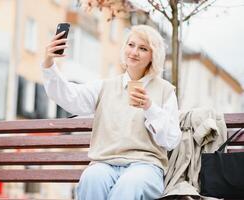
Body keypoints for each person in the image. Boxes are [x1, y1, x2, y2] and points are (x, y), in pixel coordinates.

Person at [42, 24, 182, 200]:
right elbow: (70, 97)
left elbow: (171, 140)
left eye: (143, 48)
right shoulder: (104, 86)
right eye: (131, 45)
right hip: (105, 163)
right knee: (91, 178)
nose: (134, 52)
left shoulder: (165, 91)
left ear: (153, 56)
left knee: (130, 184)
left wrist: (149, 108)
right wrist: (49, 63)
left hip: (145, 166)